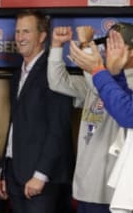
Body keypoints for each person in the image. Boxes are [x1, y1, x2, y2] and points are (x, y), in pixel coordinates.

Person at [48, 25, 133, 213]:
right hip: (86, 185)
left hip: (114, 191)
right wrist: (55, 47)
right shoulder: (102, 78)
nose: (109, 51)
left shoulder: (120, 81)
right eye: (107, 44)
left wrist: (87, 46)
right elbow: (57, 82)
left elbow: (110, 96)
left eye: (116, 45)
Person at [0, 10, 73, 213]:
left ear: (42, 36)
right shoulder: (17, 74)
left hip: (41, 179)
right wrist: (4, 169)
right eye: (18, 31)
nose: (20, 37)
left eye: (27, 32)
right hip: (15, 174)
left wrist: (41, 175)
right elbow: (15, 124)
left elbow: (59, 128)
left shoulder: (53, 71)